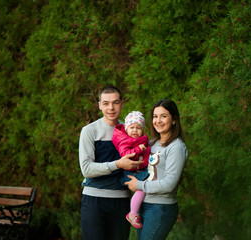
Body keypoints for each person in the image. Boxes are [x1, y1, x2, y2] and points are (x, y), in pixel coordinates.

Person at [79, 86, 144, 240]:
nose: (111, 108)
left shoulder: (130, 131)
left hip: (121, 201)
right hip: (94, 202)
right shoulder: (90, 131)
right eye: (106, 103)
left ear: (122, 104)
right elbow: (86, 169)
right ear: (99, 105)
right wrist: (117, 164)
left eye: (115, 102)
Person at [125, 99, 188, 240]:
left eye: (163, 116)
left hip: (160, 208)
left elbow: (169, 184)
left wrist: (139, 185)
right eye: (155, 116)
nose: (158, 120)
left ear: (174, 120)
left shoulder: (176, 147)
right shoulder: (152, 143)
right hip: (144, 205)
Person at [112, 111, 151, 229]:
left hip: (140, 169)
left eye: (138, 128)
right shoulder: (125, 141)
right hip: (131, 172)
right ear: (127, 129)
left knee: (145, 189)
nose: (135, 130)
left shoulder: (143, 140)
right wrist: (139, 149)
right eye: (132, 127)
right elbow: (125, 154)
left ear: (143, 130)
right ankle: (133, 214)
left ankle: (137, 210)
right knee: (141, 190)